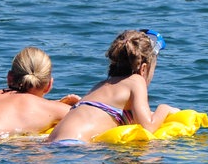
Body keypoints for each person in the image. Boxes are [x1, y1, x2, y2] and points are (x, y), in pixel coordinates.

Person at [48, 29, 179, 144]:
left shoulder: (100, 85)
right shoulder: (136, 81)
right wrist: (164, 109)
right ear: (144, 68)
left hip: (51, 143)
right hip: (75, 146)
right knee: (151, 161)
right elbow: (148, 127)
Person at [0, 46, 80, 140]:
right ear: (49, 84)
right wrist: (78, 103)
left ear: (9, 77)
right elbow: (90, 115)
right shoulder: (49, 108)